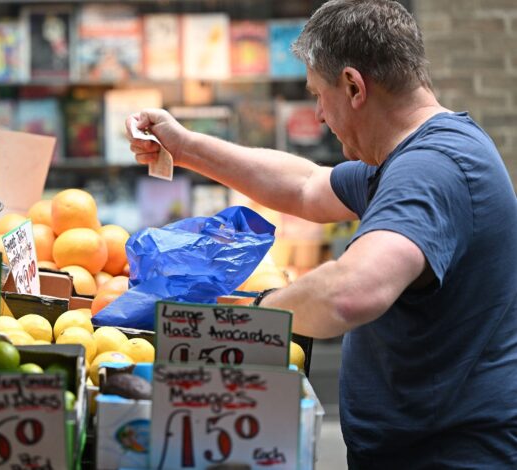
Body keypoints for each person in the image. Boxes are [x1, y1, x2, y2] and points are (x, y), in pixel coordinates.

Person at [126, 0, 517, 467]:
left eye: (318, 94)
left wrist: (234, 322)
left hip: (449, 455)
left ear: (353, 86)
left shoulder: (430, 169)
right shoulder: (413, 157)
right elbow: (306, 185)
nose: (318, 116)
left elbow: (350, 293)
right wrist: (184, 146)